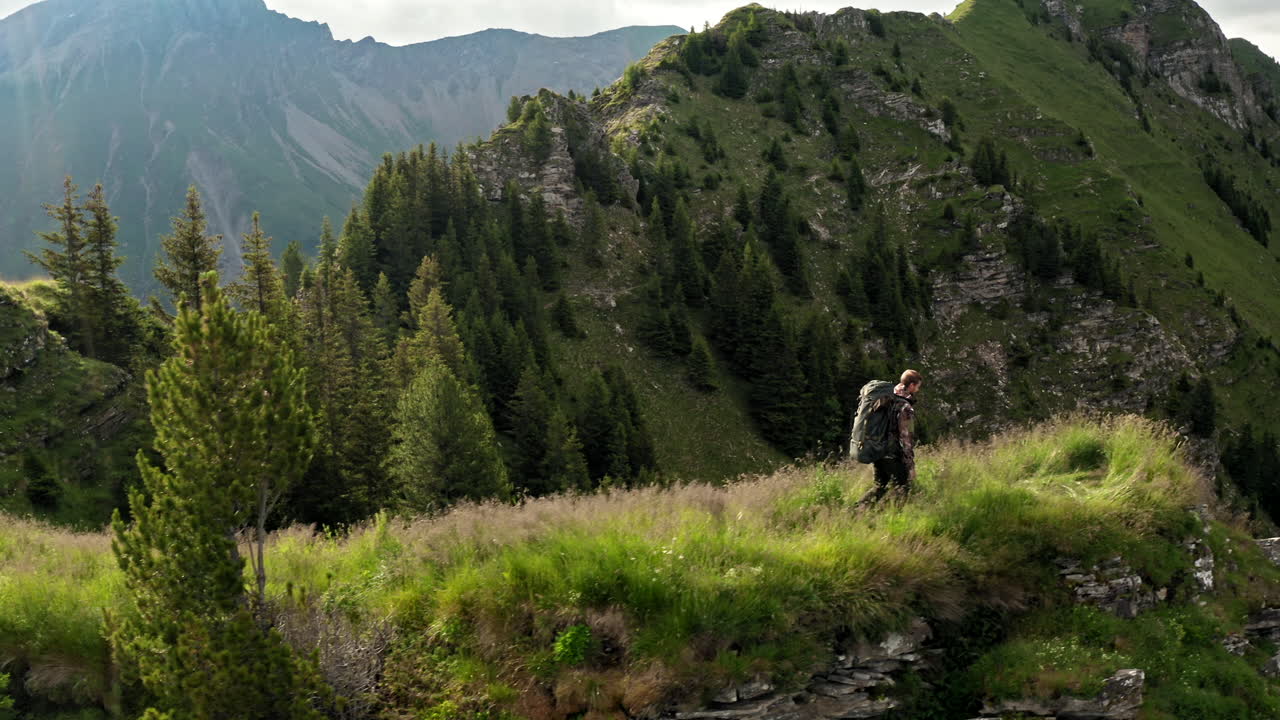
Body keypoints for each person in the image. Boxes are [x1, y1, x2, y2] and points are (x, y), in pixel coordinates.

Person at [858, 369, 921, 506]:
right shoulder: (905, 406)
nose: (917, 389)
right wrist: (910, 465)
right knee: (903, 488)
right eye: (917, 386)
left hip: (878, 450)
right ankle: (896, 515)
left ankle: (855, 511)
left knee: (879, 487)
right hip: (893, 455)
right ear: (911, 385)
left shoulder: (887, 397)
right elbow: (906, 438)